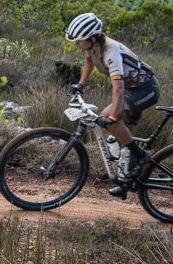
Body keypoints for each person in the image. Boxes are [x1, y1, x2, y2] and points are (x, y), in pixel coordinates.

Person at [66, 11, 160, 198]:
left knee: (108, 118)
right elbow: (89, 60)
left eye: (79, 41)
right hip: (133, 90)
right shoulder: (92, 46)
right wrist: (81, 84)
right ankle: (127, 182)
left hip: (146, 90)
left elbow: (118, 89)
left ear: (92, 38)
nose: (76, 44)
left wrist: (112, 116)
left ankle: (142, 156)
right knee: (126, 143)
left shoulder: (111, 52)